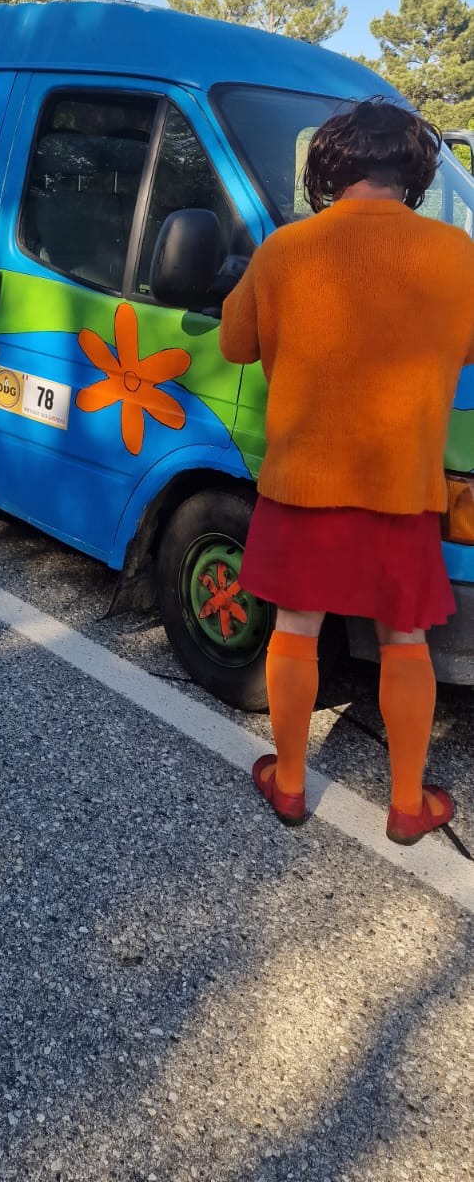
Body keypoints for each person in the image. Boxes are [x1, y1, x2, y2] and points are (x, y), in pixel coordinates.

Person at [219, 96, 474, 845]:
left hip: (303, 479)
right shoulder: (458, 254)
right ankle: (407, 805)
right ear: (414, 172)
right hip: (403, 484)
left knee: (295, 628)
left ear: (330, 168)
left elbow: (235, 343)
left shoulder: (285, 249)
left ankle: (291, 783)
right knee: (405, 637)